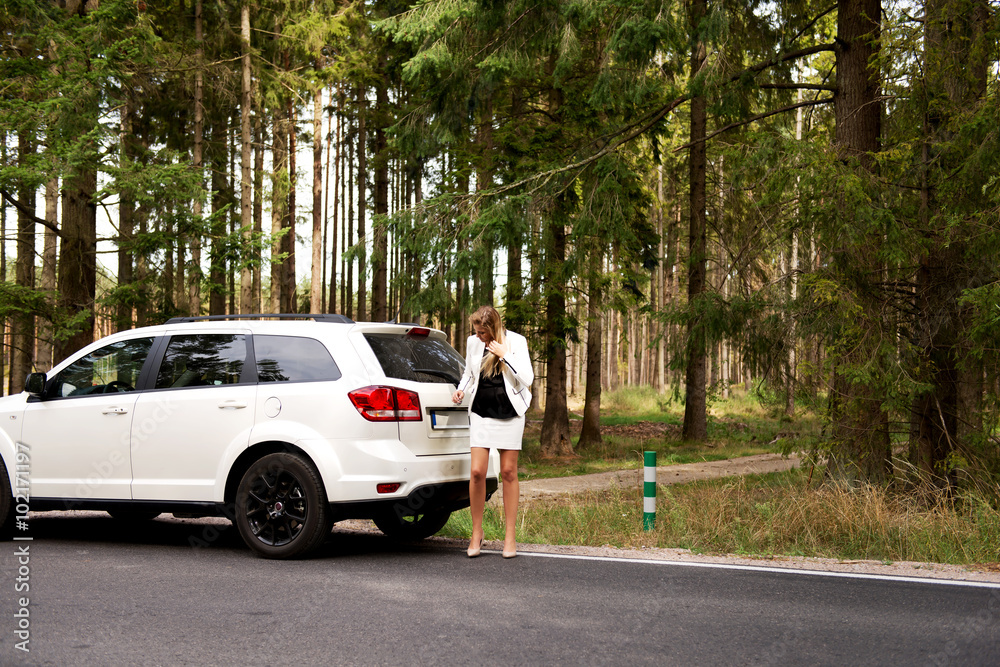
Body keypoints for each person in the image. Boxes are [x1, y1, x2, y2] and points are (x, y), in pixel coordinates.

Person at [452, 305, 533, 559]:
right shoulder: (473, 343)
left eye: (482, 333)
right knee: (477, 472)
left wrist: (504, 354)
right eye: (475, 331)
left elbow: (527, 379)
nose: (478, 336)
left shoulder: (517, 342)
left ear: (493, 328)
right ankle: (477, 532)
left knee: (508, 472)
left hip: (510, 412)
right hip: (481, 411)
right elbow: (469, 373)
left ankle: (510, 536)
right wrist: (461, 389)